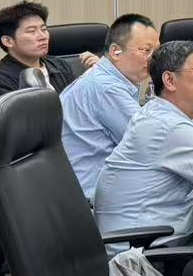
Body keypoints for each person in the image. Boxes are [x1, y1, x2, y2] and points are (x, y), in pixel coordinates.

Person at [91, 40, 193, 276]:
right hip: (146, 261)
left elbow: (189, 161)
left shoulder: (156, 113)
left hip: (144, 244)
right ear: (170, 80)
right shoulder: (170, 127)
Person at [59, 13, 158, 201]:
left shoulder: (107, 78)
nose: (154, 59)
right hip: (95, 199)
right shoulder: (106, 87)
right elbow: (151, 145)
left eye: (156, 51)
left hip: (96, 189)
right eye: (146, 50)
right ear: (116, 52)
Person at [0, 0, 91, 98]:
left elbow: (79, 102)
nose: (42, 36)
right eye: (31, 31)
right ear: (8, 41)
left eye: (44, 29)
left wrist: (96, 73)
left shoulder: (60, 65)